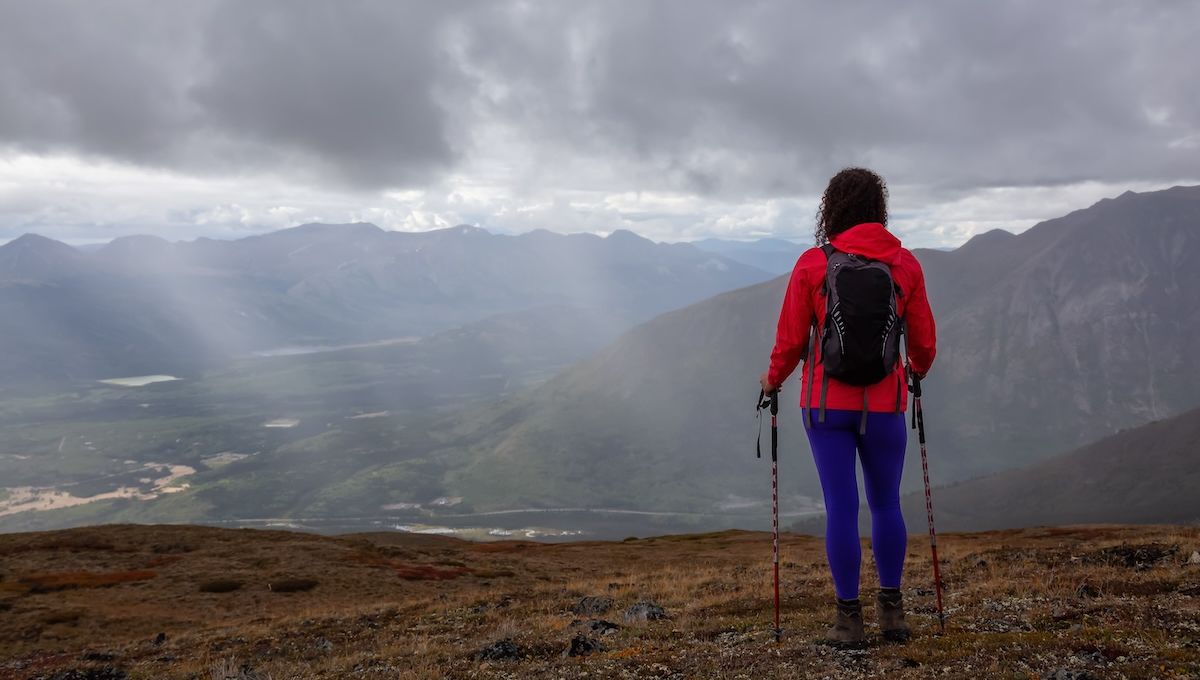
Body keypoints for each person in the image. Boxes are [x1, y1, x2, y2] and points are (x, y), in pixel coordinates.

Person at [759, 167, 936, 645]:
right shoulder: (905, 266)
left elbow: (791, 342)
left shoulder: (814, 265)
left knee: (841, 506)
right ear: (878, 209)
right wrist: (915, 372)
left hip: (824, 406)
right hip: (885, 405)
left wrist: (771, 381)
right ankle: (894, 616)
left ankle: (847, 621)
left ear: (832, 209)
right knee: (885, 504)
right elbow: (923, 344)